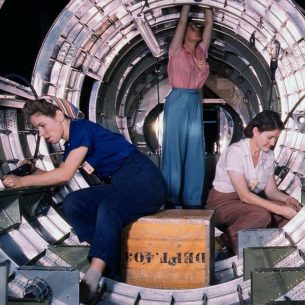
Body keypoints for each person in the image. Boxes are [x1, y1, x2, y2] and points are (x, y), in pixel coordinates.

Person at [2, 95, 167, 304]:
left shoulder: (81, 129)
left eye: (43, 125)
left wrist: (22, 182)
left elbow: (64, 174)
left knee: (109, 207)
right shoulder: (73, 144)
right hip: (121, 183)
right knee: (74, 202)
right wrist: (32, 172)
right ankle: (106, 256)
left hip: (145, 180)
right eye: (37, 129)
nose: (42, 134)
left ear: (60, 116)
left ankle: (93, 278)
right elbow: (59, 175)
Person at [206, 110, 301, 255]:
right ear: (256, 131)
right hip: (222, 204)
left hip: (247, 204)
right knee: (261, 215)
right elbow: (244, 195)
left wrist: (287, 199)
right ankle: (225, 242)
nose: (273, 143)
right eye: (269, 137)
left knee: (285, 212)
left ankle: (273, 253)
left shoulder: (268, 155)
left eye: (276, 138)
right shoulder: (236, 152)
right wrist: (280, 209)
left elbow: (271, 191)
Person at [161, 5, 213, 208]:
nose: (196, 28)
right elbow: (182, 22)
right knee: (173, 150)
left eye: (196, 27)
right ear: (183, 35)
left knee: (194, 150)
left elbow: (209, 23)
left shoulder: (201, 52)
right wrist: (187, 5)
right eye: (192, 28)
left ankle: (192, 199)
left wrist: (209, 5)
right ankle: (171, 198)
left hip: (194, 100)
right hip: (178, 100)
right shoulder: (176, 50)